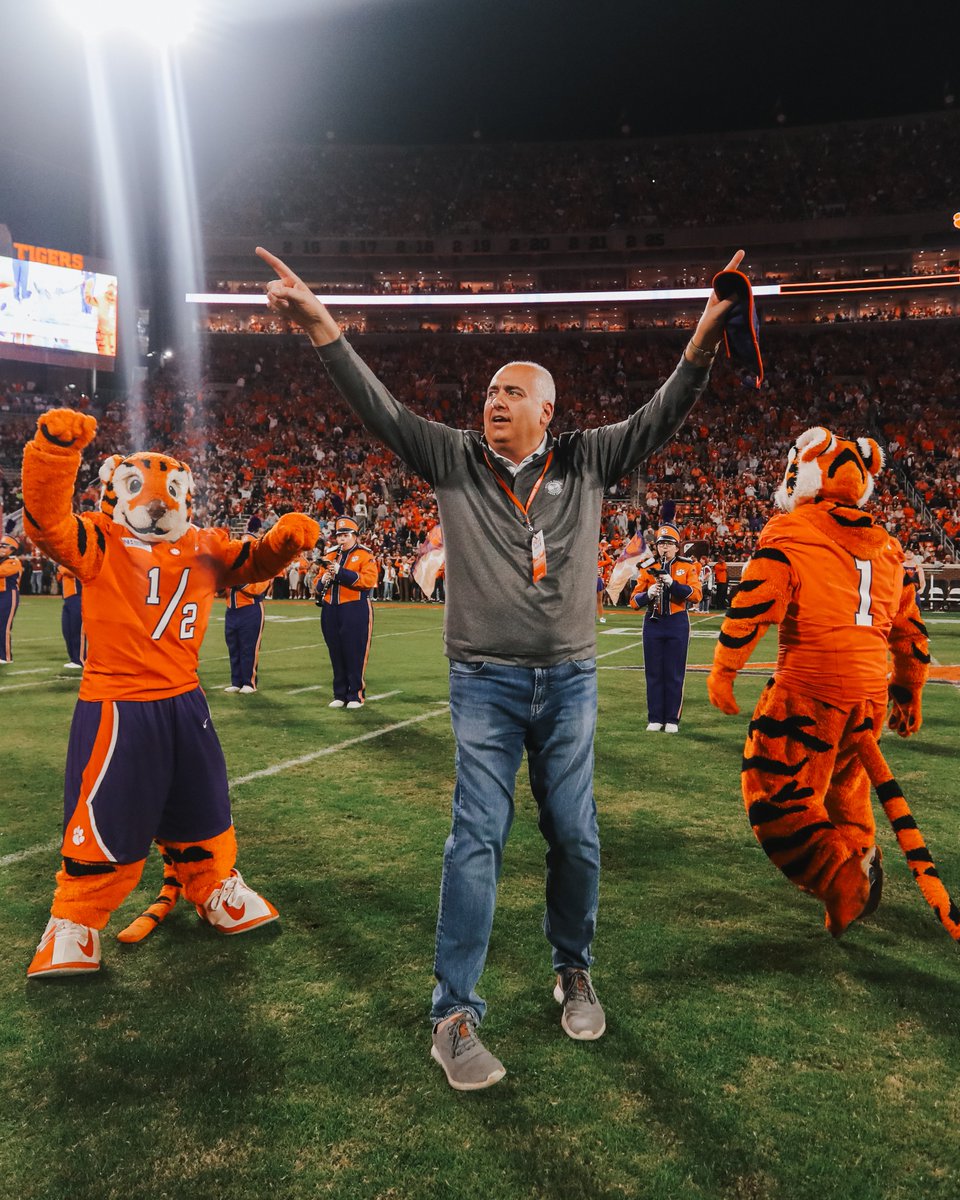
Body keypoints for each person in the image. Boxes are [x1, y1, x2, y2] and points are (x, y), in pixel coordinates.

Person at [258, 243, 744, 1091]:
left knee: (577, 837)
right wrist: (325, 329)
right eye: (489, 390)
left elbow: (668, 410)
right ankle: (453, 1014)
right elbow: (378, 410)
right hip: (482, 678)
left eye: (511, 391)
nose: (493, 400)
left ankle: (574, 967)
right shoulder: (451, 457)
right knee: (474, 840)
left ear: (547, 411)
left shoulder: (590, 459)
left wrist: (705, 332)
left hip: (571, 680)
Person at [629, 523, 702, 732]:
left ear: (677, 547)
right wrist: (648, 594)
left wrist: (673, 584)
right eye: (661, 544)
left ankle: (671, 718)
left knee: (674, 672)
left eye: (669, 544)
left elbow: (697, 595)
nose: (665, 548)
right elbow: (634, 602)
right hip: (653, 623)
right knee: (653, 673)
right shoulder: (646, 567)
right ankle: (655, 717)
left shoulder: (687, 566)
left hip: (677, 622)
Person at [315, 516, 378, 709]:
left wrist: (340, 572)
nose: (341, 539)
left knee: (354, 651)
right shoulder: (330, 554)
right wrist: (323, 579)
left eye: (345, 535)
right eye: (339, 535)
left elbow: (369, 581)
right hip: (330, 608)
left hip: (354, 607)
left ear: (355, 536)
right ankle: (340, 693)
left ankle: (355, 695)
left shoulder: (365, 555)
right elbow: (316, 585)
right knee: (336, 651)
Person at [224, 538, 272, 694]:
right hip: (231, 609)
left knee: (249, 647)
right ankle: (236, 681)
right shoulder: (232, 564)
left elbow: (257, 588)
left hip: (250, 609)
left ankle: (249, 683)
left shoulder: (261, 566)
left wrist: (237, 579)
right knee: (233, 647)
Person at [56, 564, 84, 669]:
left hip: (78, 597)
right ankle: (73, 658)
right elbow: (59, 577)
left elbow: (74, 571)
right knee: (67, 631)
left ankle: (80, 659)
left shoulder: (75, 563)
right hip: (68, 598)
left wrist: (59, 566)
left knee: (76, 630)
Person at [0, 535, 22, 663]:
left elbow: (2, 572)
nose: (1, 548)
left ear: (12, 549)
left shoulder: (13, 561)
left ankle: (5, 656)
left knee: (4, 625)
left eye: (4, 546)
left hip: (9, 594)